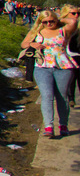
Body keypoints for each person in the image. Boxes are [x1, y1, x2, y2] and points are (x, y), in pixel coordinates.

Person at [21, 10, 78, 138]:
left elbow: (73, 21)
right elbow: (23, 44)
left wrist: (58, 19)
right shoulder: (37, 32)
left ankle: (63, 125)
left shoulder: (64, 31)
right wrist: (32, 44)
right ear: (40, 22)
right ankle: (49, 126)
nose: (48, 24)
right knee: (47, 96)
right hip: (42, 67)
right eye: (45, 22)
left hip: (63, 67)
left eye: (51, 21)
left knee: (62, 97)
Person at [60, 5, 80, 107]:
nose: (76, 15)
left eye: (78, 13)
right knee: (71, 80)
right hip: (65, 57)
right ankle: (71, 98)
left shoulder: (78, 26)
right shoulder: (59, 26)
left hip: (76, 54)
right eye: (73, 13)